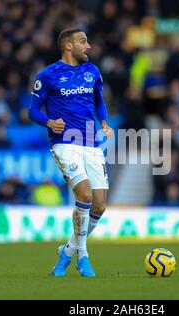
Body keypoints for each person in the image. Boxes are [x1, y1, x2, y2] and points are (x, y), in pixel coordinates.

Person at [28, 28, 114, 277]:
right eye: (83, 41)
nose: (88, 46)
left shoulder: (92, 72)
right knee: (84, 194)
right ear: (68, 46)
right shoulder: (48, 75)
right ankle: (82, 256)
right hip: (64, 142)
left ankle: (67, 251)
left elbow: (100, 101)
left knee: (99, 205)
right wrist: (48, 122)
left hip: (91, 143)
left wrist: (105, 122)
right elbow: (32, 110)